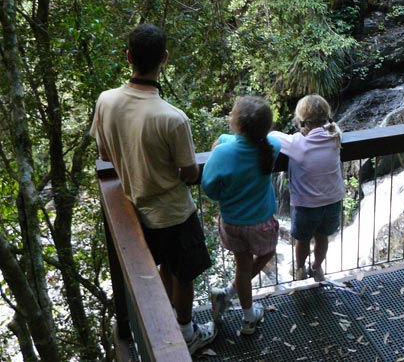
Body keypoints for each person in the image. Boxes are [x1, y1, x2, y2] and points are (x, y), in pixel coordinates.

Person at [90, 23, 216, 354]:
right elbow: (189, 173)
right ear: (165, 59)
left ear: (128, 56)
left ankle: (165, 324)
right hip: (173, 212)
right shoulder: (172, 118)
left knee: (161, 267)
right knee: (184, 274)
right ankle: (187, 332)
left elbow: (105, 154)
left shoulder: (106, 101)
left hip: (133, 210)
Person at [202, 96, 280, 335]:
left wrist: (222, 143)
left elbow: (210, 190)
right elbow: (251, 143)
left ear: (239, 125)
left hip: (233, 222)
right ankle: (243, 310)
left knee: (243, 268)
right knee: (267, 253)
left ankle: (235, 301)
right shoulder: (273, 146)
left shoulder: (222, 153)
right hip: (261, 222)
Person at [269, 94, 345, 282]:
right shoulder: (335, 136)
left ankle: (301, 269)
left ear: (302, 120)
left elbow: (270, 135)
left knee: (302, 240)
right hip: (333, 201)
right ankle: (317, 268)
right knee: (322, 238)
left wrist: (300, 131)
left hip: (306, 205)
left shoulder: (296, 142)